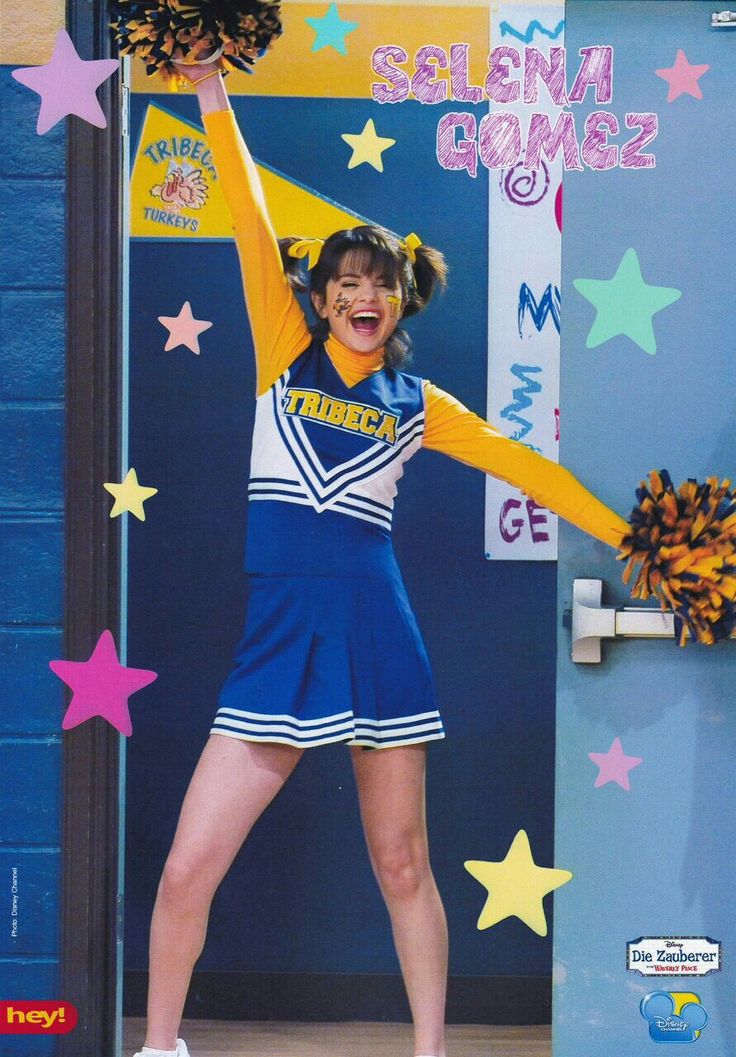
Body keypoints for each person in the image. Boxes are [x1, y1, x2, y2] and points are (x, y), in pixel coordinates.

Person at [133, 60, 630, 1057]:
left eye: (380, 285)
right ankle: (159, 1044)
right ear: (319, 299)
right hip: (275, 646)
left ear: (400, 302)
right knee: (190, 865)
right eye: (346, 283)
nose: (364, 297)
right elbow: (244, 206)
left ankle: (429, 1049)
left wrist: (637, 540)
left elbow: (532, 468)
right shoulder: (283, 353)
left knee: (402, 861)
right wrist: (211, 96)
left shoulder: (421, 407)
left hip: (376, 640)